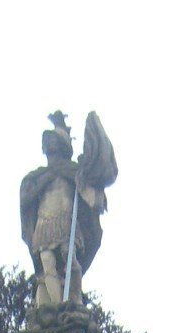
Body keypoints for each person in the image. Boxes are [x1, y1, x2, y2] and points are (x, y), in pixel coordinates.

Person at [19, 111, 117, 307]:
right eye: (46, 142)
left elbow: (90, 192)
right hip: (43, 223)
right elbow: (26, 197)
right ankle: (57, 307)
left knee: (68, 261)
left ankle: (73, 301)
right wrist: (47, 178)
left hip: (65, 221)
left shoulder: (72, 173)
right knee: (46, 263)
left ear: (61, 146)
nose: (47, 145)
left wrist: (90, 191)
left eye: (52, 141)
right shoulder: (38, 176)